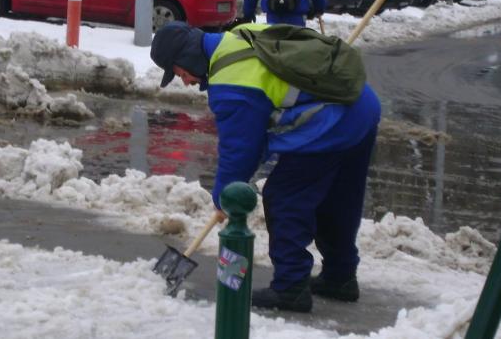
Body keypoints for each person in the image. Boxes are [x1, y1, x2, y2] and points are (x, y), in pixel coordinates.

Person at [150, 21, 380, 313]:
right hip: (360, 104)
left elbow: (240, 151)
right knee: (336, 200)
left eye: (180, 73)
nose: (186, 81)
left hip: (332, 121)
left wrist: (225, 198)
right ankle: (340, 277)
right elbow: (254, 137)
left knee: (285, 197)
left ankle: (291, 288)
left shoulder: (230, 83)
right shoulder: (238, 35)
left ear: (187, 58)